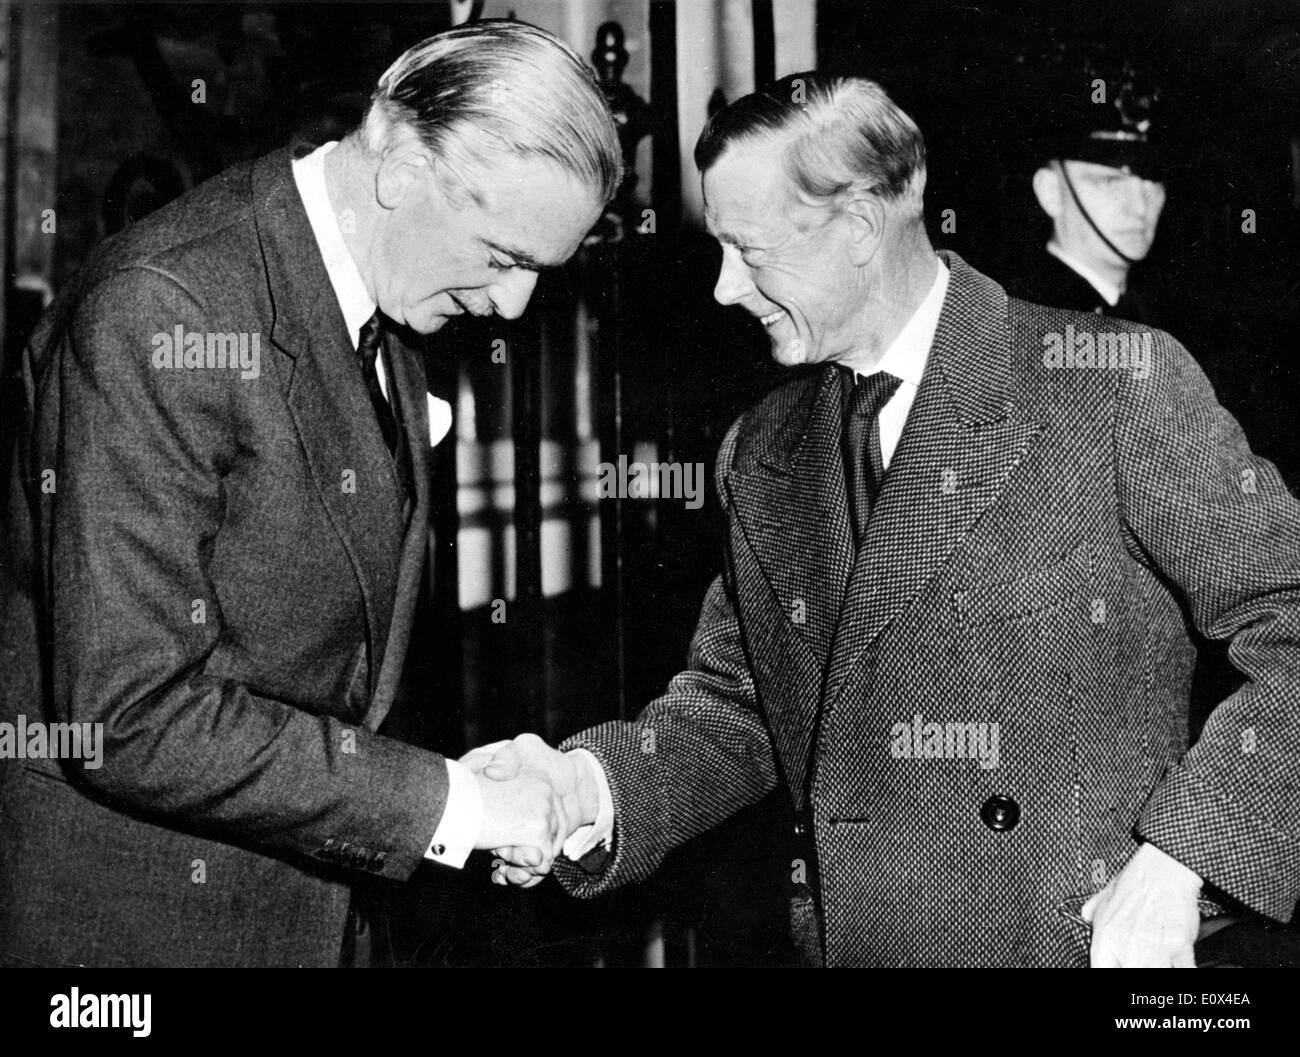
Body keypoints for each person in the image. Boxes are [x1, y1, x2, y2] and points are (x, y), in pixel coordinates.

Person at [473, 73, 1300, 968]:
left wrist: (1182, 856)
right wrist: (586, 787)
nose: (722, 289)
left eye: (749, 251)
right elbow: (739, 703)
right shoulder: (763, 447)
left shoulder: (1107, 385)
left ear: (861, 227)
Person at [0, 20, 620, 968]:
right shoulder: (165, 307)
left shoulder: (383, 296)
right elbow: (130, 715)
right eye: (503, 255)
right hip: (144, 930)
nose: (512, 306)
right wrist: (455, 803)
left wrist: (445, 793)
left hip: (302, 918)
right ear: (401, 163)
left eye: (541, 269)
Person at [1005, 57, 1167, 326]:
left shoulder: (1158, 315)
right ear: (1051, 193)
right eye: (1110, 182)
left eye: (1152, 183)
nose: (1140, 207)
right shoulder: (1018, 320)